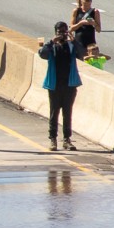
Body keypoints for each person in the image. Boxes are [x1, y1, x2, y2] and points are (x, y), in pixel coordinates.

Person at [39, 19, 82, 152]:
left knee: (67, 112)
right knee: (54, 112)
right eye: (59, 32)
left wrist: (73, 40)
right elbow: (42, 53)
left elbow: (82, 53)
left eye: (64, 32)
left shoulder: (71, 46)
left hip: (69, 85)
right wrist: (52, 41)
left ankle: (67, 139)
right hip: (55, 85)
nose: (62, 34)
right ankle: (53, 139)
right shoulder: (52, 47)